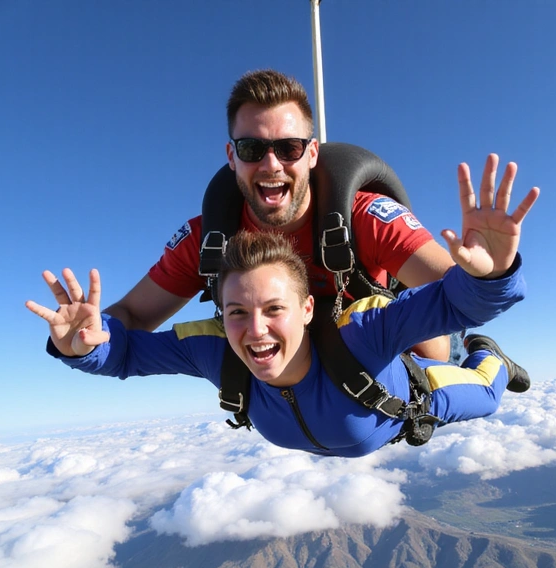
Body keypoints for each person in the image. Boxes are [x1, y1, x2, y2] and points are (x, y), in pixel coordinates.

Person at [26, 159, 539, 458]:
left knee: (486, 390)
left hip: (412, 400)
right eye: (236, 313)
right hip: (350, 422)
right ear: (219, 314)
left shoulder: (366, 332)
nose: (256, 331)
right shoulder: (216, 352)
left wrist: (491, 273)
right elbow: (128, 355)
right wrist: (81, 347)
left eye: (274, 308)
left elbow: (455, 301)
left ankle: (489, 355)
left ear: (309, 308)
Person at [103, 69, 457, 361]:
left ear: (312, 153)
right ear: (231, 156)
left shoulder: (363, 218)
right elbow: (131, 316)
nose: (271, 164)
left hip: (381, 359)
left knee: (430, 342)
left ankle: (480, 356)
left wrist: (491, 273)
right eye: (251, 148)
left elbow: (456, 292)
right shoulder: (208, 240)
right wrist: (89, 336)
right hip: (285, 380)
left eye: (289, 148)